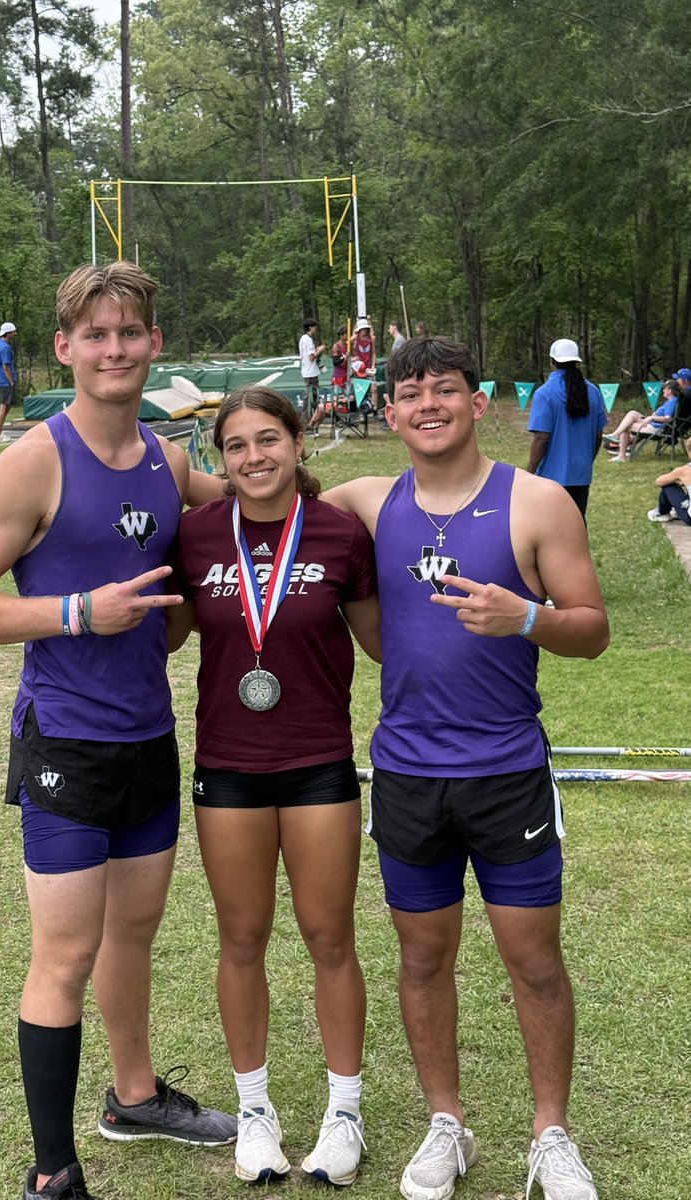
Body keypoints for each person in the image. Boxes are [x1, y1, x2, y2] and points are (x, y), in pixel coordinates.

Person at [0, 261, 236, 1200]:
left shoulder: (167, 457)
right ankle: (52, 1171)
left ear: (153, 346)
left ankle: (134, 1097)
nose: (116, 349)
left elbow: (245, 507)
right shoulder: (33, 460)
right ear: (65, 350)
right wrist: (77, 612)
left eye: (131, 332)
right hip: (66, 742)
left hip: (149, 736)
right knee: (63, 953)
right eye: (95, 335)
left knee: (134, 933)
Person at [324, 336, 608, 1200]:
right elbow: (256, 494)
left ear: (478, 402)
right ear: (392, 411)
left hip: (507, 768)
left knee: (535, 960)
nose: (426, 406)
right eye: (408, 394)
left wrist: (527, 618)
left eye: (443, 390)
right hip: (408, 773)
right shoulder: (368, 503)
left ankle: (551, 1136)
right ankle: (445, 1124)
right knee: (421, 958)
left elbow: (592, 629)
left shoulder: (538, 503)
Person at [168, 386, 381, 1187]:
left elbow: (387, 644)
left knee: (330, 938)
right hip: (227, 764)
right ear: (220, 460)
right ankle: (253, 1113)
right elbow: (165, 634)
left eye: (269, 440)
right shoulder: (194, 538)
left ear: (298, 443)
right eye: (236, 446)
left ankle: (344, 1112)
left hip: (318, 761)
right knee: (242, 938)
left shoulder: (339, 534)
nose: (254, 457)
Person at [526, 338, 607, 518]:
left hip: (550, 477)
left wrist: (529, 472)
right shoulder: (593, 391)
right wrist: (587, 461)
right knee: (576, 526)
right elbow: (598, 435)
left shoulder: (545, 393)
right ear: (577, 362)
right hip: (581, 475)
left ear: (552, 362)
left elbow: (541, 438)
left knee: (550, 529)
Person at [604, 381, 677, 462]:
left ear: (670, 390)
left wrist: (651, 418)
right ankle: (616, 437)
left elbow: (668, 418)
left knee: (626, 426)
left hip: (656, 428)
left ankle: (620, 453)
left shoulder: (672, 402)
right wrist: (651, 417)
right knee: (632, 413)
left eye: (664, 388)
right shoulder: (669, 401)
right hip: (653, 424)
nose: (663, 390)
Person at [0, 320, 18, 443]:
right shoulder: (5, 348)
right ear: (7, 334)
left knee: (6, 406)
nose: (15, 334)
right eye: (13, 332)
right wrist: (11, 381)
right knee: (4, 407)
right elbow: (5, 366)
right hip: (5, 381)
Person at [647, 458, 691, 524]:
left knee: (669, 486)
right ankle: (677, 510)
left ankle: (662, 513)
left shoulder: (685, 470)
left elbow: (659, 481)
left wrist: (679, 479)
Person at [298, 319, 324, 423]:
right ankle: (306, 421)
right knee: (310, 398)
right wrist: (320, 351)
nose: (316, 328)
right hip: (310, 372)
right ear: (310, 327)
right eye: (314, 326)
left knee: (312, 397)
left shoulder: (304, 339)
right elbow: (311, 357)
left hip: (308, 371)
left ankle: (311, 421)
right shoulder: (308, 339)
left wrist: (316, 350)